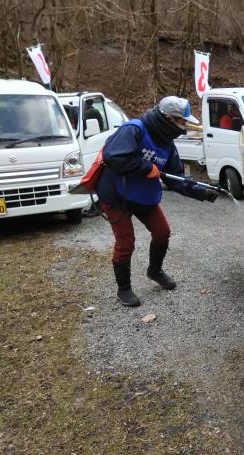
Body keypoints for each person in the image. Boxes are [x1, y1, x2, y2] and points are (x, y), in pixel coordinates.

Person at [96, 96, 218, 307]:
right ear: (168, 119)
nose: (184, 126)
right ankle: (123, 289)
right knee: (126, 242)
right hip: (116, 195)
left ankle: (155, 270)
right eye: (182, 122)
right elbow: (112, 156)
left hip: (142, 195)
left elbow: (175, 178)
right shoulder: (134, 129)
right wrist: (145, 167)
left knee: (162, 232)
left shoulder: (167, 145)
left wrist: (202, 193)